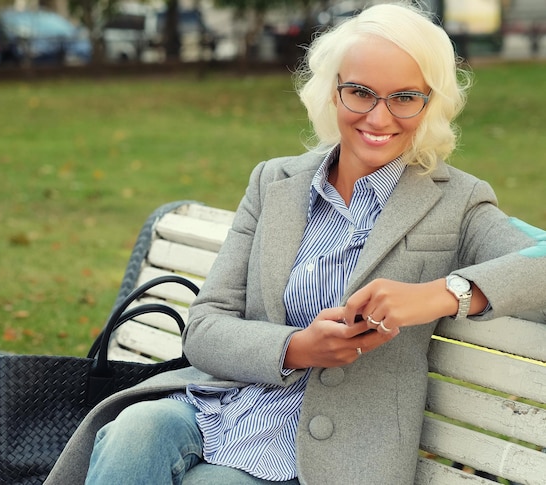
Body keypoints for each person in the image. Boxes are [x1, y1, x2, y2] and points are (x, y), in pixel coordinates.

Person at [44, 2, 546, 484]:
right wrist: (297, 348)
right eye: (360, 92)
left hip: (327, 451)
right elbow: (205, 327)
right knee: (133, 430)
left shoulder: (456, 199)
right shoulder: (274, 182)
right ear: (332, 92)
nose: (379, 117)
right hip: (218, 405)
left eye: (405, 97)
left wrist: (439, 295)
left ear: (430, 102)